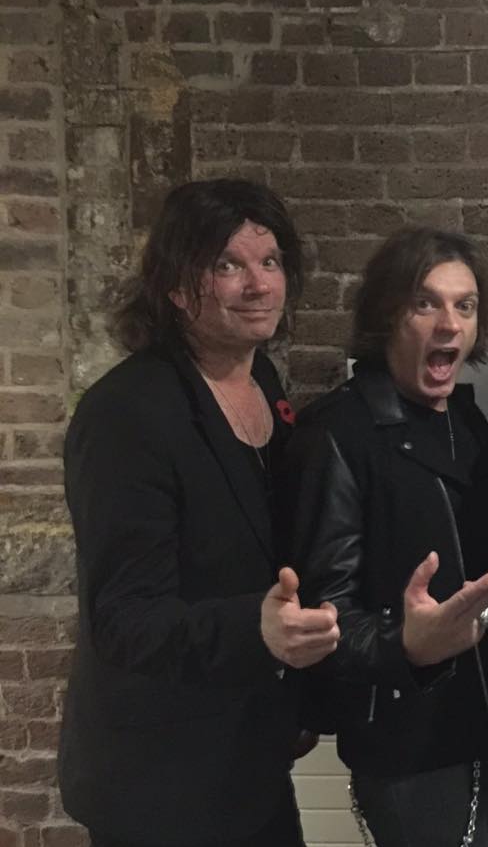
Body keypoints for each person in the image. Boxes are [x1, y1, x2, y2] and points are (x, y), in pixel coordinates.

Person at [59, 178, 340, 847]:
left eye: (269, 261)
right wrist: (256, 630)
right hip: (157, 778)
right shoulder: (127, 413)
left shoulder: (261, 380)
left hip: (248, 759)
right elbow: (124, 619)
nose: (258, 284)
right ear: (176, 287)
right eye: (227, 265)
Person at [279, 228, 488, 847]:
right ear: (387, 314)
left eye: (465, 305)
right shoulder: (338, 434)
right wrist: (406, 643)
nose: (449, 323)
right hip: (410, 746)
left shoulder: (467, 422)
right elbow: (323, 619)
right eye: (425, 303)